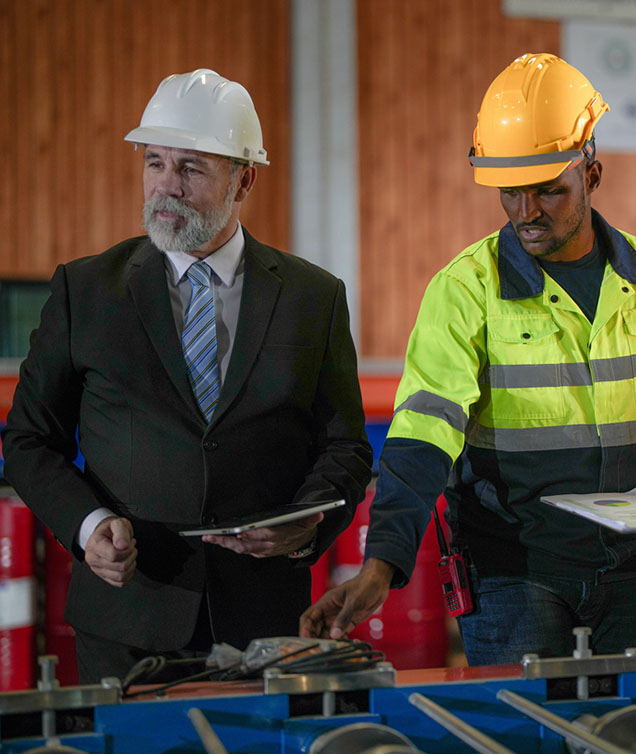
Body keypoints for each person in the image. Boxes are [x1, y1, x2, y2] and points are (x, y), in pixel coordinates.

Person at [300, 53, 636, 664]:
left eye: (548, 190)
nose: (526, 212)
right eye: (510, 192)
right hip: (514, 576)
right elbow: (422, 435)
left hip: (633, 571)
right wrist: (382, 566)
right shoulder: (466, 290)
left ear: (592, 174)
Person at [0, 69, 373, 683]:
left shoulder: (313, 298)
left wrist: (304, 527)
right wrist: (88, 526)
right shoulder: (86, 290)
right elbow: (27, 440)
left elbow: (345, 447)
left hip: (264, 619)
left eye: (192, 169)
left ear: (244, 178)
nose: (166, 188)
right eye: (154, 164)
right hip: (126, 619)